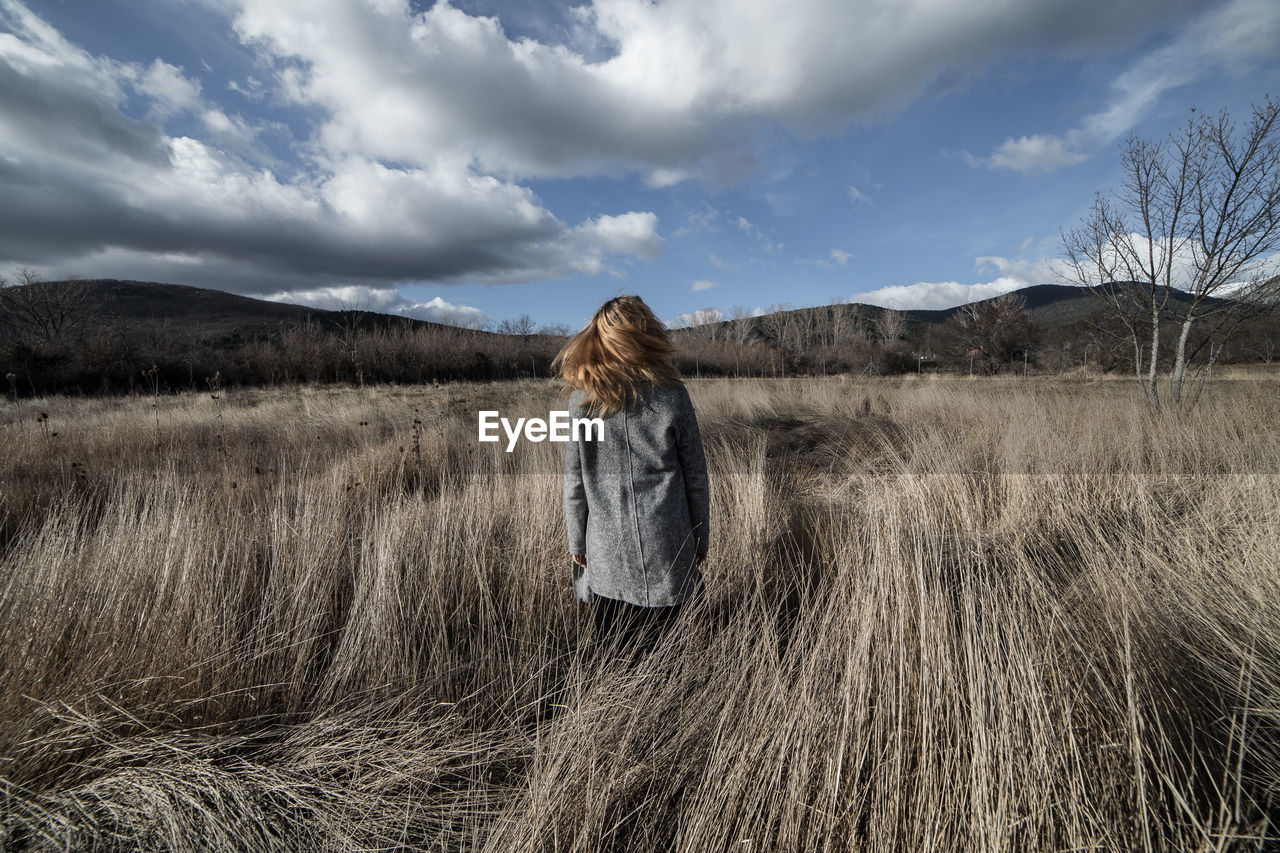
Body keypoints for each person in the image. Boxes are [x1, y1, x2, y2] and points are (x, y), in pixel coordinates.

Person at [553, 295, 711, 662]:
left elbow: (573, 482)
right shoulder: (673, 396)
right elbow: (696, 478)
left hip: (606, 552)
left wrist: (578, 542)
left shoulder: (581, 402)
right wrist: (700, 537)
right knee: (667, 661)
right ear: (645, 334)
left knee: (614, 658)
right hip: (668, 546)